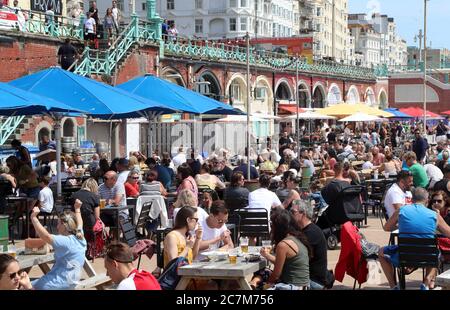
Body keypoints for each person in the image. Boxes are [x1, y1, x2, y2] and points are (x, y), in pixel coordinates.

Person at [379, 188, 450, 290]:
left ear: (412, 199)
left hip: (404, 257)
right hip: (427, 256)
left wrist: (401, 225)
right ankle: (426, 283)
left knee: (381, 252)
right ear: (427, 200)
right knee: (436, 253)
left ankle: (393, 286)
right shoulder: (434, 215)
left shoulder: (401, 211)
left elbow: (386, 228)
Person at [30, 200, 87, 290]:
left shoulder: (67, 241)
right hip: (72, 282)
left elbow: (46, 236)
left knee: (25, 285)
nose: (57, 227)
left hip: (59, 283)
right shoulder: (80, 236)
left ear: (64, 225)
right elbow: (80, 222)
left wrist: (34, 218)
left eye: (58, 223)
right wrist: (77, 209)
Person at [250, 209, 311, 289]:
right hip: (304, 285)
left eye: (272, 226)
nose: (271, 229)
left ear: (278, 228)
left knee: (260, 285)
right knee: (262, 272)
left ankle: (252, 284)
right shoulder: (297, 238)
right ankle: (253, 283)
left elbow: (276, 275)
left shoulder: (283, 245)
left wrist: (266, 285)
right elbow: (282, 263)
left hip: (292, 287)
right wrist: (267, 255)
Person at [290, 200, 328, 289]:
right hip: (307, 278)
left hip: (313, 281)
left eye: (293, 212)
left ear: (303, 214)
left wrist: (268, 256)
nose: (290, 215)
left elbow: (292, 259)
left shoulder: (311, 233)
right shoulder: (303, 230)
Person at [70, 178, 100, 257]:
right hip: (90, 223)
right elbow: (97, 216)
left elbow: (72, 211)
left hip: (76, 222)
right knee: (99, 226)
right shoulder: (94, 196)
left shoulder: (74, 195)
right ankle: (92, 251)